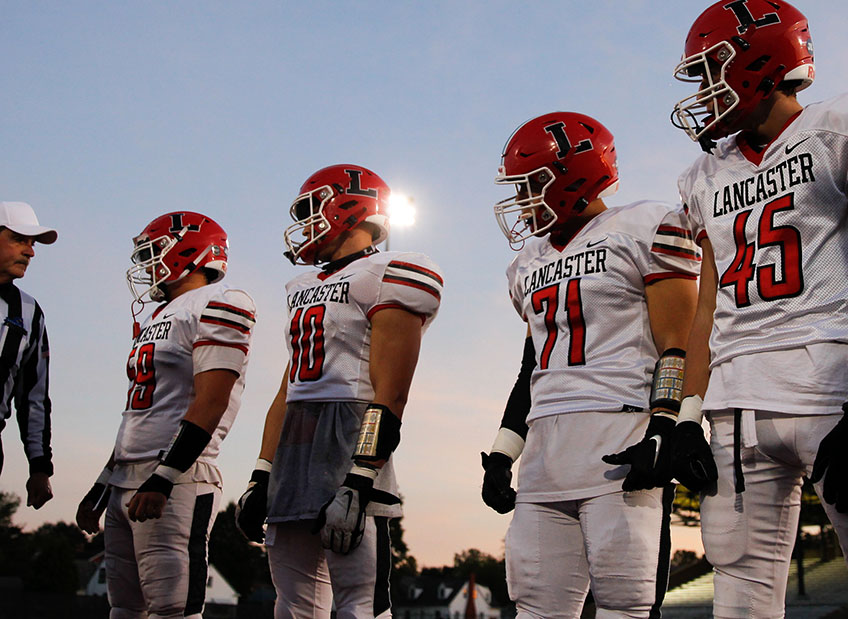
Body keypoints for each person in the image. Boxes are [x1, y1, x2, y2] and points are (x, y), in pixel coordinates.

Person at [668, 0, 848, 618]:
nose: (705, 92)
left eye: (712, 70)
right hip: (734, 404)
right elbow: (703, 314)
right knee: (739, 588)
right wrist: (686, 415)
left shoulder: (842, 129)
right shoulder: (703, 177)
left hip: (830, 387)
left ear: (757, 60)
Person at [480, 112, 700, 619]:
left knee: (627, 605)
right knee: (535, 607)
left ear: (573, 174)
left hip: (620, 436)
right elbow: (532, 368)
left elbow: (678, 343)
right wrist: (501, 453)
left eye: (532, 184)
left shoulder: (644, 225)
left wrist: (665, 426)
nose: (522, 199)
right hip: (543, 455)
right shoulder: (527, 263)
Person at [234, 164, 443, 619]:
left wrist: (362, 474)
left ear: (349, 205)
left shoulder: (386, 271)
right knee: (293, 603)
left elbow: (390, 393)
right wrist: (261, 472)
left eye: (312, 209)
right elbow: (288, 390)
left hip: (350, 434)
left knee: (360, 603)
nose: (306, 224)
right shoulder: (302, 286)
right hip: (296, 439)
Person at [75, 211, 256, 619]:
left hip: (176, 477)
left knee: (172, 611)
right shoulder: (157, 317)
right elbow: (139, 415)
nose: (147, 264)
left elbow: (212, 400)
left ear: (187, 250)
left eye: (154, 251)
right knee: (123, 608)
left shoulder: (218, 302)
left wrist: (165, 476)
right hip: (127, 479)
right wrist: (102, 486)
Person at [0, 201, 57, 511]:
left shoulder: (28, 312)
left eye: (32, 243)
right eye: (19, 239)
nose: (30, 252)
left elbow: (33, 396)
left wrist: (39, 466)